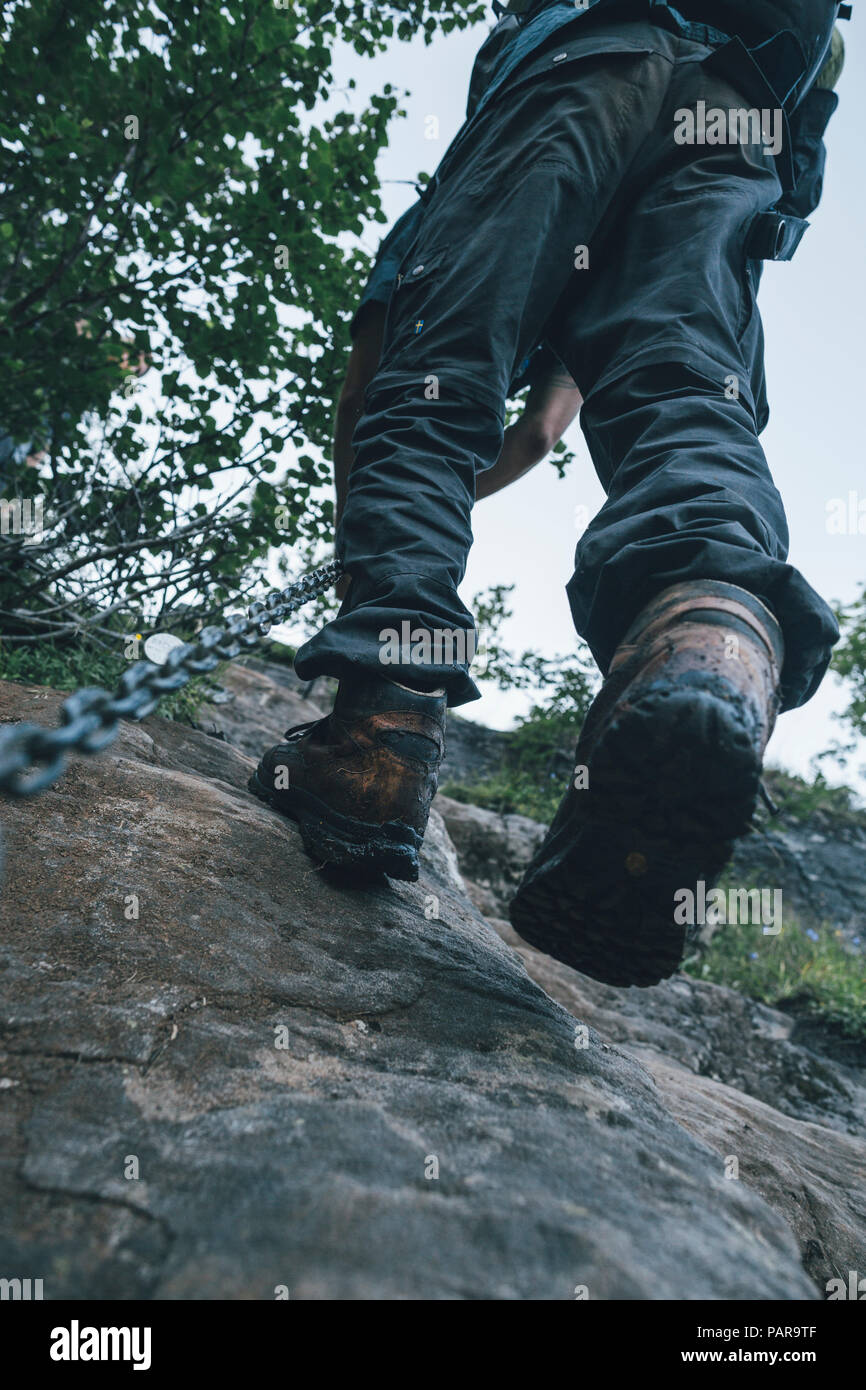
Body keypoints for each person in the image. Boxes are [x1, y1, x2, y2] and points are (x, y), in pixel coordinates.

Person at [250, 0, 846, 989]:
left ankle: (375, 743)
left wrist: (387, 548)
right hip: (738, 111)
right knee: (682, 398)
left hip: (588, 56)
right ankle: (710, 638)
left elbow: (383, 395)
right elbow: (538, 429)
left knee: (435, 373)